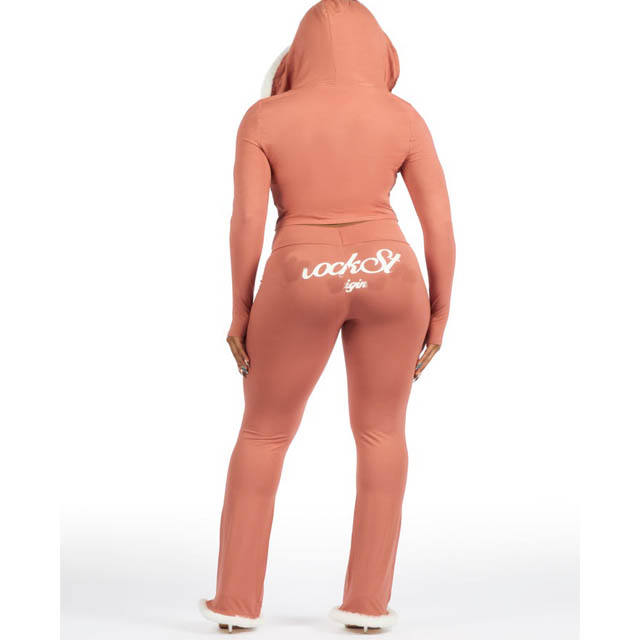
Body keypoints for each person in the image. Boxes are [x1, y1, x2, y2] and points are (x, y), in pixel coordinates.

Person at [199, 0, 455, 632]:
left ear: (299, 54)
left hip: (300, 273)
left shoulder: (264, 117)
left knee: (264, 435)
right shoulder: (403, 116)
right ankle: (366, 606)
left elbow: (247, 222)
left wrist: (239, 310)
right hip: (391, 273)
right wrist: (440, 311)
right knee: (382, 434)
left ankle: (235, 606)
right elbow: (439, 223)